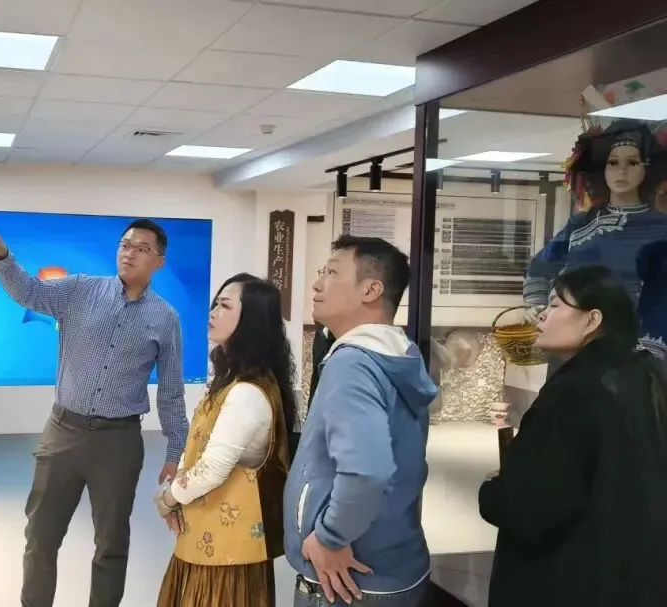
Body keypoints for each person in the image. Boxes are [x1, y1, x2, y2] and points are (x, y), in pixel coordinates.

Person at [0, 210, 189, 607]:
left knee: (112, 543)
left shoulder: (165, 318)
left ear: (158, 261)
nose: (129, 253)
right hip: (63, 433)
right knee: (40, 536)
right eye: (125, 245)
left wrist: (175, 449)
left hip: (118, 442)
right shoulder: (80, 290)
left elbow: (171, 390)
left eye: (141, 248)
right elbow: (29, 292)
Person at [479, 265, 667, 607]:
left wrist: (494, 491)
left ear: (592, 320)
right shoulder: (644, 374)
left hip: (570, 580)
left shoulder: (573, 392)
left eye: (555, 305)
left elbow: (532, 508)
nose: (542, 315)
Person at [284, 235, 436, 606]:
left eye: (332, 273)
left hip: (348, 582)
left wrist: (330, 536)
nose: (317, 284)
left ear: (371, 290)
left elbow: (367, 471)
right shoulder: (397, 354)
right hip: (392, 566)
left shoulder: (353, 363)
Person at [152, 273, 297, 607]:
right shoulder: (234, 381)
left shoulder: (246, 392)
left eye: (225, 305)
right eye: (215, 303)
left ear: (251, 320)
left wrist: (168, 499)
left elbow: (212, 469)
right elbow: (198, 447)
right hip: (209, 541)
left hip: (225, 555)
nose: (213, 312)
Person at [524, 118, 667, 358]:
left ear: (647, 169)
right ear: (602, 168)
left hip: (635, 348)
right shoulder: (580, 223)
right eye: (613, 162)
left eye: (632, 162)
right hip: (571, 340)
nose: (621, 171)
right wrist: (538, 304)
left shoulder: (661, 228)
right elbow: (541, 268)